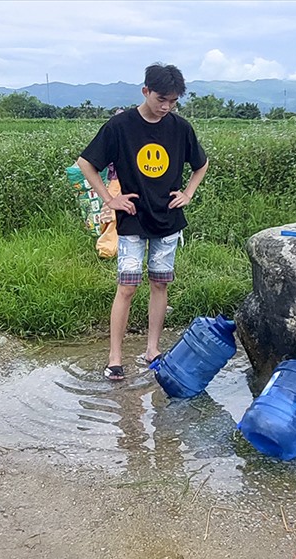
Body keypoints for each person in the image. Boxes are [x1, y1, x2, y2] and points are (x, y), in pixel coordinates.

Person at [77, 63, 209, 381]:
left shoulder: (180, 128)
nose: (166, 107)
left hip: (167, 217)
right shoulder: (120, 126)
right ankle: (115, 359)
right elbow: (86, 163)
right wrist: (111, 200)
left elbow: (201, 164)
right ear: (145, 91)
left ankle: (152, 350)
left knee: (160, 283)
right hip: (133, 217)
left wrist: (188, 193)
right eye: (161, 99)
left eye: (173, 102)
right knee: (127, 286)